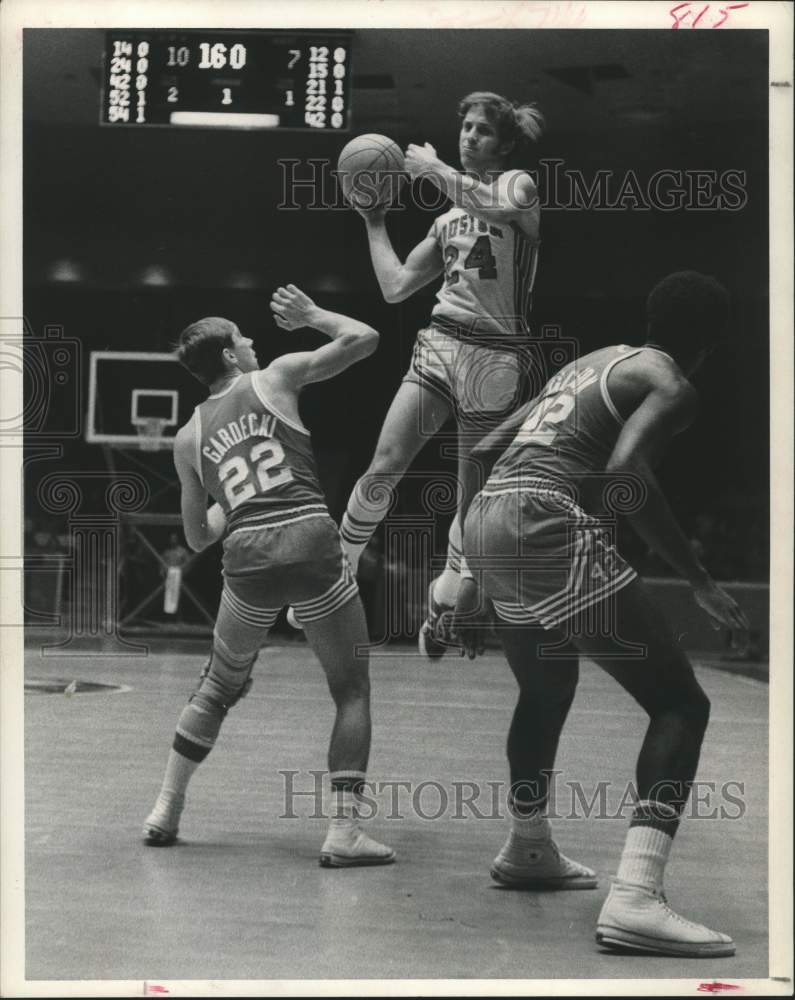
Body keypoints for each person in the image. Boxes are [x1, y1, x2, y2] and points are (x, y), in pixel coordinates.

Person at [454, 271, 748, 956]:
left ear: (649, 318)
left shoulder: (591, 363)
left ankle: (527, 848)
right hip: (541, 518)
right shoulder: (672, 384)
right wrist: (698, 579)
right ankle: (636, 898)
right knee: (679, 704)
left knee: (545, 688)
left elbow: (483, 450)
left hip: (487, 516)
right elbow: (624, 472)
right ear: (710, 342)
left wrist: (467, 572)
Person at [143, 286, 395, 868]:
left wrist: (235, 499)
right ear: (229, 355)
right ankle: (343, 832)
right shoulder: (275, 377)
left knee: (217, 686)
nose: (253, 340)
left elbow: (197, 537)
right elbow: (365, 338)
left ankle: (165, 808)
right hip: (309, 541)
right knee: (351, 690)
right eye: (243, 336)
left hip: (248, 559)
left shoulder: (188, 437)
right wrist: (312, 316)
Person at [336, 91, 544, 658]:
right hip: (440, 342)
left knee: (469, 500)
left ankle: (444, 599)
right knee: (385, 463)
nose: (470, 136)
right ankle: (338, 568)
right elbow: (396, 287)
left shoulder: (518, 187)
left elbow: (493, 206)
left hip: (494, 356)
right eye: (466, 127)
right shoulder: (447, 217)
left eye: (482, 130)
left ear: (504, 144)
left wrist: (432, 168)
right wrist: (374, 222)